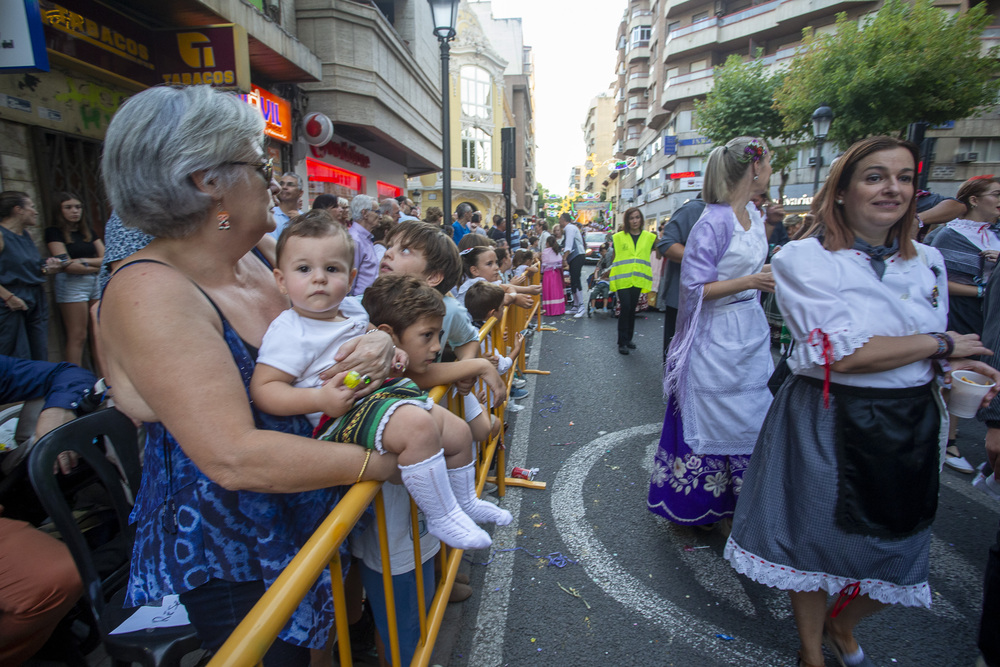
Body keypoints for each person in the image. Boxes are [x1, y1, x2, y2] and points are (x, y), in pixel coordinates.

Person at [99, 85, 408, 663]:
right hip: (232, 548)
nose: (274, 178)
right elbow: (233, 457)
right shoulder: (150, 292)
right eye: (259, 163)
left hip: (304, 502)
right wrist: (393, 465)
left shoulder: (258, 252)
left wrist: (377, 339)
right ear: (205, 181)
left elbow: (341, 322)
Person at [723, 136, 1000, 667]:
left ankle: (841, 624)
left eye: (902, 178)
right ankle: (812, 651)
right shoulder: (803, 258)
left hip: (911, 418)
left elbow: (913, 338)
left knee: (900, 547)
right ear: (843, 193)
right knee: (807, 540)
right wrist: (941, 345)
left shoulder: (933, 262)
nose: (891, 188)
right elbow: (841, 354)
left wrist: (954, 367)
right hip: (827, 417)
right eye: (874, 176)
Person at [250, 214, 507, 549]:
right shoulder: (289, 329)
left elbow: (375, 336)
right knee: (418, 427)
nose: (319, 280)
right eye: (304, 270)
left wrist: (392, 352)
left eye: (331, 269)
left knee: (458, 432)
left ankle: (465, 502)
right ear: (281, 281)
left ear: (352, 275)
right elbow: (265, 389)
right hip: (341, 416)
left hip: (385, 397)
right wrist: (319, 401)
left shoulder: (353, 311)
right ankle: (442, 517)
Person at [648, 137, 775, 529]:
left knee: (751, 415)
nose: (773, 170)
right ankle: (706, 505)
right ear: (754, 168)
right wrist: (749, 280)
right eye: (770, 162)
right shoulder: (712, 220)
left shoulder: (755, 215)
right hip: (715, 336)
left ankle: (741, 503)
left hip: (749, 331)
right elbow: (694, 288)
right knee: (715, 416)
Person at [929, 176, 1000, 473]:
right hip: (963, 312)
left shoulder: (996, 234)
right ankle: (949, 441)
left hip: (990, 313)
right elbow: (938, 281)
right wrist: (985, 287)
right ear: (974, 199)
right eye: (996, 194)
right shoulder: (949, 235)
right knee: (959, 371)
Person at [1, 192, 65, 361]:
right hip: (11, 301)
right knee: (15, 353)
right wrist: (8, 297)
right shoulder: (1, 235)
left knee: (39, 350)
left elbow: (31, 268)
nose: (35, 212)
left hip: (35, 297)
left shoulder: (26, 235)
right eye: (31, 206)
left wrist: (48, 268)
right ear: (18, 210)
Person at [44, 192, 104, 366]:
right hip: (72, 285)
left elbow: (106, 258)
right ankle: (74, 381)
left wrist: (84, 261)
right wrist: (94, 265)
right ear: (59, 210)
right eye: (68, 207)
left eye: (78, 207)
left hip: (95, 282)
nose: (75, 211)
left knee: (98, 333)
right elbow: (67, 265)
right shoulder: (53, 232)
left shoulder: (87, 231)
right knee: (78, 335)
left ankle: (104, 380)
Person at [656, 196, 706, 358]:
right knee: (677, 354)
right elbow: (665, 245)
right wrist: (710, 262)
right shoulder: (693, 210)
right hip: (683, 298)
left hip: (717, 301)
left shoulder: (747, 212)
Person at [610, 208, 658, 350]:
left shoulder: (649, 237)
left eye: (637, 217)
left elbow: (659, 254)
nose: (635, 221)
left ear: (641, 219)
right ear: (627, 220)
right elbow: (614, 258)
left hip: (637, 279)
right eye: (631, 218)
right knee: (625, 307)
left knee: (632, 309)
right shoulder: (618, 237)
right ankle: (622, 341)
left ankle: (629, 339)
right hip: (622, 279)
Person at [348, 194, 380, 296]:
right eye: (376, 212)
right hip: (358, 301)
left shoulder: (365, 237)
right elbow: (351, 278)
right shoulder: (355, 239)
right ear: (365, 213)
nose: (380, 216)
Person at [559, 213, 587, 316]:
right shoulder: (570, 228)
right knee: (574, 280)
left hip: (577, 255)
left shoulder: (569, 228)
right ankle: (576, 306)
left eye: (559, 219)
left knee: (575, 280)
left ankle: (581, 306)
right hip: (576, 256)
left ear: (563, 219)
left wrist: (564, 258)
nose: (559, 222)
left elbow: (569, 246)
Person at [269, 172, 304, 239]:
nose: (284, 187)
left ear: (300, 193)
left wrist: (302, 224)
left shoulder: (305, 219)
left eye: (290, 185)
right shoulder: (270, 214)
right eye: (281, 184)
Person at [541, 236, 566, 316]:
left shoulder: (545, 252)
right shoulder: (557, 251)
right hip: (556, 273)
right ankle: (558, 309)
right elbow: (560, 263)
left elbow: (543, 265)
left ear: (547, 243)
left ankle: (549, 310)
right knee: (556, 292)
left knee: (548, 292)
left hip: (547, 275)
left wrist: (541, 272)